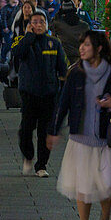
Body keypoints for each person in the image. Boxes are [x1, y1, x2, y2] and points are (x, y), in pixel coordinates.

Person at [47, 30, 111, 220]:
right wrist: (54, 130)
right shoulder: (76, 73)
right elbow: (64, 103)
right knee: (83, 186)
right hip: (81, 138)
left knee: (107, 184)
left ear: (99, 48)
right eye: (81, 44)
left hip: (106, 138)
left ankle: (104, 219)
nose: (81, 48)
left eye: (86, 45)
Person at [10, 10, 68, 178]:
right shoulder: (22, 41)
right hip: (29, 93)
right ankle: (28, 155)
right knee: (26, 129)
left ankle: (41, 165)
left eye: (42, 22)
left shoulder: (54, 43)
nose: (38, 25)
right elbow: (17, 54)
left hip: (49, 94)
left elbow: (62, 68)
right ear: (29, 25)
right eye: (34, 22)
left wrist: (62, 90)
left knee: (45, 131)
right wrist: (28, 36)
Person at [51, 0, 90, 66]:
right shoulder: (84, 26)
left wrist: (58, 14)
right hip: (80, 58)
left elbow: (51, 27)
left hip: (64, 58)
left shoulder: (58, 24)